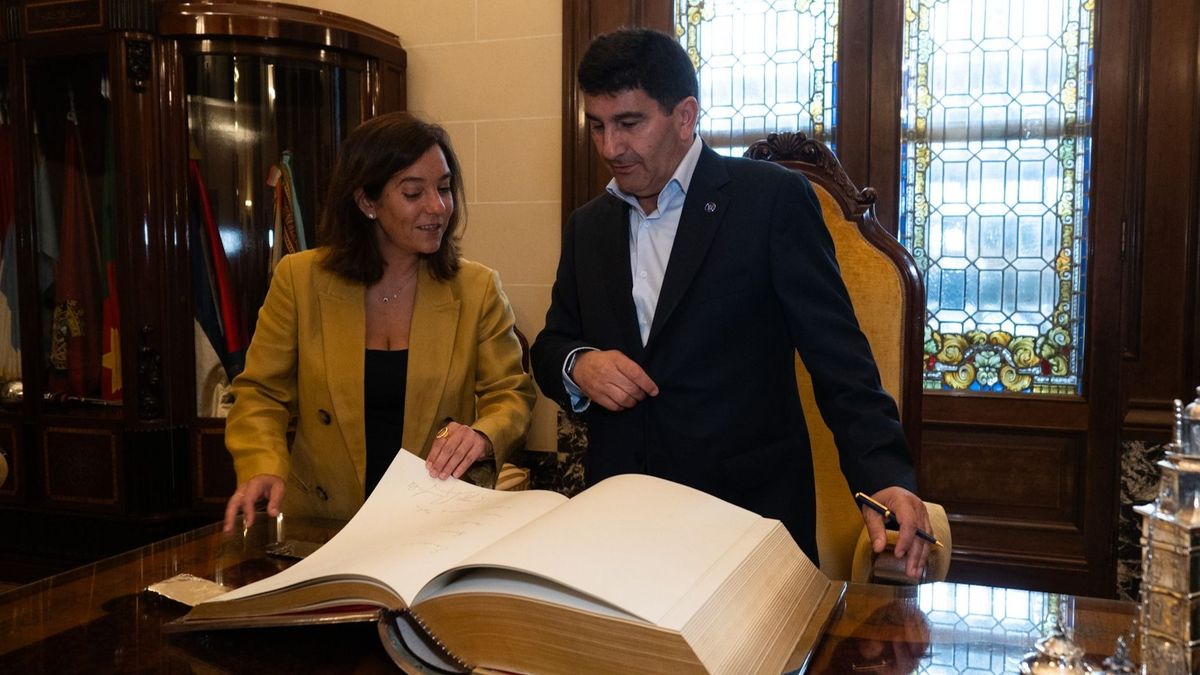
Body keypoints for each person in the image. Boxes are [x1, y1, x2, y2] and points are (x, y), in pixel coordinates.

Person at [531, 27, 932, 578]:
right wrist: (580, 365)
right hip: (618, 529)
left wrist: (884, 474)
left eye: (629, 124)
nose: (610, 148)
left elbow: (838, 358)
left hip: (744, 525)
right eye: (597, 126)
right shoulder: (587, 227)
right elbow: (552, 343)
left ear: (685, 115)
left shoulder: (769, 201)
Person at [223, 111, 536, 532]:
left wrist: (483, 433)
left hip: (429, 524)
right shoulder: (299, 280)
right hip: (319, 524)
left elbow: (511, 393)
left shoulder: (476, 287)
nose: (437, 207)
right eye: (413, 193)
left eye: (444, 189)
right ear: (367, 202)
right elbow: (261, 394)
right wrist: (262, 464)